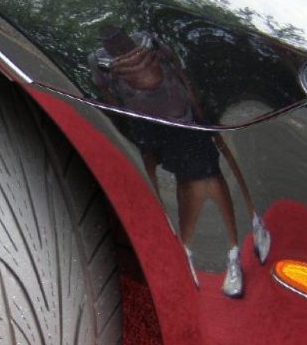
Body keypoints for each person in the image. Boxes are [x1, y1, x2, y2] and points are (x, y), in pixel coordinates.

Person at [90, 26, 271, 297]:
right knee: (188, 177)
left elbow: (176, 66)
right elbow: (108, 91)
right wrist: (127, 121)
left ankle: (238, 245)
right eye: (110, 40)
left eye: (118, 37)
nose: (116, 43)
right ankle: (192, 249)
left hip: (181, 114)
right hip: (155, 122)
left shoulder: (145, 39)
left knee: (210, 172)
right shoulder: (103, 57)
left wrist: (195, 104)